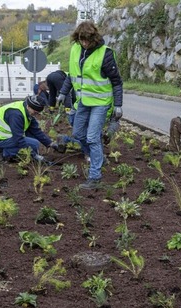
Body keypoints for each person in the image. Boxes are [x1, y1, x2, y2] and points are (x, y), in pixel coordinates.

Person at [56, 21, 124, 190]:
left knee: (93, 137)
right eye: (81, 40)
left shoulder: (105, 55)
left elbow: (117, 82)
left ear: (94, 38)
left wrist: (118, 105)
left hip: (100, 104)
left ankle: (95, 177)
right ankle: (98, 157)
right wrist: (63, 93)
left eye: (87, 40)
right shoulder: (75, 50)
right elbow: (71, 75)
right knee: (78, 134)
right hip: (83, 102)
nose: (84, 43)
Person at [0, 95, 64, 164]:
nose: (36, 114)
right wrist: (34, 155)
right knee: (34, 145)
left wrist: (51, 144)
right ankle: (1, 153)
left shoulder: (26, 110)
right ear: (29, 107)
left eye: (38, 113)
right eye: (35, 112)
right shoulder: (16, 115)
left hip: (5, 136)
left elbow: (36, 131)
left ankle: (5, 150)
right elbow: (19, 139)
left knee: (34, 143)